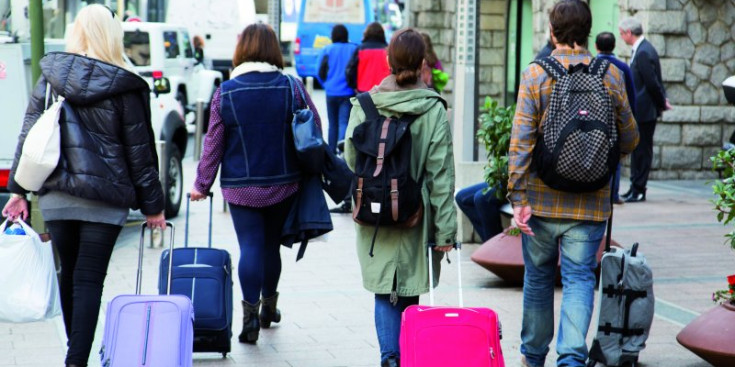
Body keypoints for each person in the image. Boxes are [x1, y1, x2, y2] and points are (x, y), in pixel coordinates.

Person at [1, 5, 166, 367]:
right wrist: (153, 206)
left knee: (70, 273)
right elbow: (140, 153)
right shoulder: (127, 84)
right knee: (89, 280)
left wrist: (19, 190)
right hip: (105, 200)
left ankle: (74, 356)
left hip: (57, 195)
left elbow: (30, 134)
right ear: (113, 35)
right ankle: (76, 361)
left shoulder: (51, 77)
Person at [507, 1, 639, 367]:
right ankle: (570, 358)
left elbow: (520, 142)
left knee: (537, 279)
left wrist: (517, 196)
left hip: (540, 201)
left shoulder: (536, 73)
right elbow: (630, 138)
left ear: (552, 32)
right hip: (591, 202)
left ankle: (533, 356)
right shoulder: (609, 74)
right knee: (580, 278)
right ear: (588, 32)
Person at [190, 23, 321, 344]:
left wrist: (202, 184)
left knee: (250, 245)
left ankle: (248, 319)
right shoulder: (291, 87)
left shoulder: (226, 92)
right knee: (271, 246)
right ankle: (268, 309)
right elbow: (314, 127)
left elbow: (213, 143)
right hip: (284, 182)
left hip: (240, 186)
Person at [344, 28, 457, 367]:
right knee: (409, 289)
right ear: (423, 62)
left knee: (383, 289)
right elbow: (440, 175)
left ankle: (389, 358)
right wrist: (446, 231)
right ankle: (405, 357)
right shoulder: (432, 108)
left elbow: (351, 159)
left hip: (373, 212)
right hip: (414, 212)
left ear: (388, 61)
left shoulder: (366, 103)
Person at [619, 17, 671, 203]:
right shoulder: (642, 49)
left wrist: (661, 102)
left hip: (645, 111)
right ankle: (634, 187)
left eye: (622, 33)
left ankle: (639, 189)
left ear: (629, 33)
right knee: (637, 150)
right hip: (641, 110)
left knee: (642, 151)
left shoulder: (643, 51)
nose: (621, 37)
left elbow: (652, 82)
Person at [316, 24, 358, 214]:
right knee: (343, 122)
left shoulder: (327, 49)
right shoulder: (353, 48)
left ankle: (332, 154)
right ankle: (343, 153)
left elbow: (320, 70)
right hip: (348, 92)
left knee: (332, 123)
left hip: (331, 91)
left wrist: (327, 84)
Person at [595, 31, 637, 205]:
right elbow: (631, 97)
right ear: (614, 46)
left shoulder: (592, 66)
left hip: (594, 121)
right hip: (616, 121)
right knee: (616, 159)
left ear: (596, 46)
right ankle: (613, 194)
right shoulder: (622, 67)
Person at [345, 22, 390, 94]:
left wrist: (353, 86)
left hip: (363, 91)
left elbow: (350, 70)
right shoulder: (388, 50)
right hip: (384, 90)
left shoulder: (360, 49)